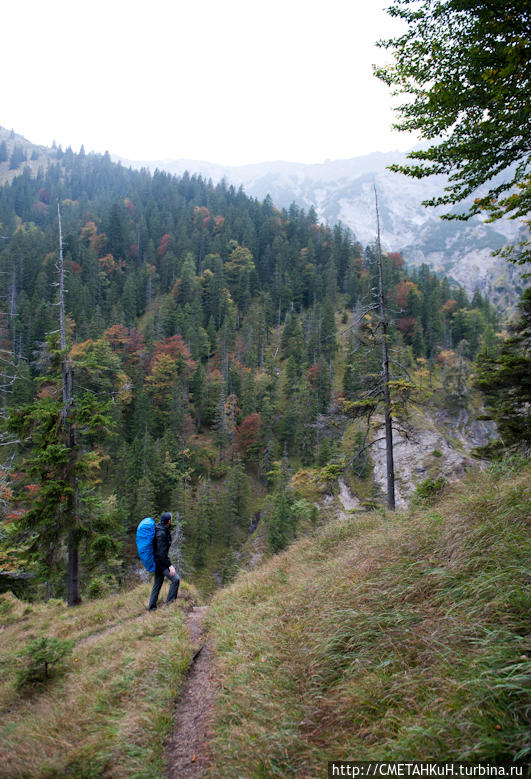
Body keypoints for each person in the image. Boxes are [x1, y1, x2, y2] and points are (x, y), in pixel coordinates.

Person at [148, 512, 180, 610]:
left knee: (157, 585)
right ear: (169, 521)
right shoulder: (161, 534)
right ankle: (169, 605)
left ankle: (152, 608)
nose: (172, 520)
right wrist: (170, 566)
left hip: (157, 562)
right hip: (160, 564)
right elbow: (161, 554)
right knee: (176, 579)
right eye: (171, 518)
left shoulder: (160, 528)